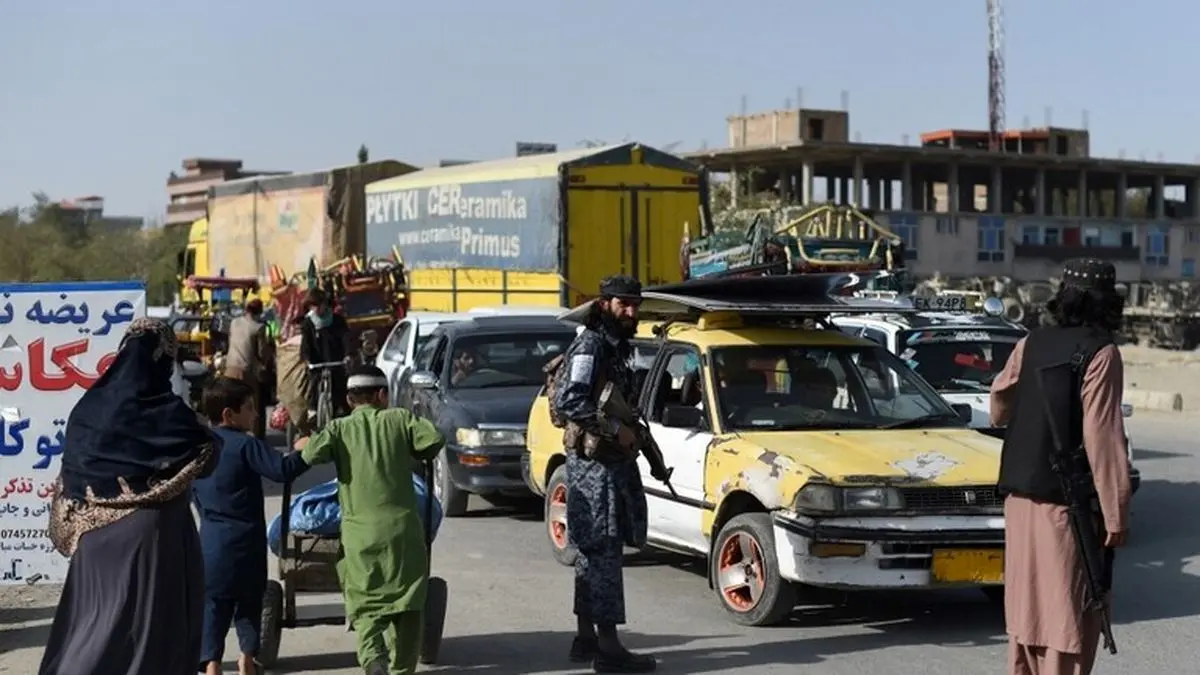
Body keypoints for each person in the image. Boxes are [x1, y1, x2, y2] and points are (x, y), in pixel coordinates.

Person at [39, 318, 221, 675]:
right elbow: (207, 454)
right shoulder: (168, 414)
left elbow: (69, 480)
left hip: (92, 542)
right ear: (163, 360)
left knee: (91, 628)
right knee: (148, 635)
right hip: (150, 539)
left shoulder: (87, 410)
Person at [990, 258, 1133, 675]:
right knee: (1068, 616)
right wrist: (1116, 515)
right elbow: (1103, 439)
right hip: (1064, 510)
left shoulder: (1031, 341)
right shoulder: (1101, 353)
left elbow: (999, 403)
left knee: (1027, 615)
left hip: (1019, 501)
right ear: (1108, 303)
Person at [293, 364, 445, 675]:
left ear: (350, 400)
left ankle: (373, 658)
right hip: (403, 533)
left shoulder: (338, 429)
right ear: (382, 395)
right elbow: (433, 440)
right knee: (408, 605)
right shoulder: (400, 419)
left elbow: (308, 456)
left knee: (365, 604)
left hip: (360, 536)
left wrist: (306, 441)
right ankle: (402, 668)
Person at [554, 275, 657, 673]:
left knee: (591, 552)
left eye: (635, 304)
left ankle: (586, 637)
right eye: (623, 305)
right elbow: (570, 399)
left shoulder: (614, 346)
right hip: (595, 470)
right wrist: (617, 431)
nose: (631, 312)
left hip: (606, 466)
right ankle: (609, 649)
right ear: (605, 304)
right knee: (605, 554)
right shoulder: (592, 344)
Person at [193, 377, 311, 675]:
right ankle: (247, 658)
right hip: (246, 544)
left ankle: (211, 664)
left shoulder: (198, 449)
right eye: (249, 408)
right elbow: (282, 470)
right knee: (248, 605)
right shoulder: (246, 445)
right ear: (228, 415)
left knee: (213, 607)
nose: (256, 414)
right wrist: (305, 450)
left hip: (209, 546)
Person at [299, 287, 353, 420]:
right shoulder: (307, 323)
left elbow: (345, 339)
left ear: (325, 303)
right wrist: (308, 360)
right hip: (317, 365)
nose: (316, 309)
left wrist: (347, 355)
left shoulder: (337, 321)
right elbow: (305, 345)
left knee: (341, 391)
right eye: (313, 306)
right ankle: (312, 410)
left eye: (319, 305)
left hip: (336, 363)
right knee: (312, 384)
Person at [224, 297, 274, 437]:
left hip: (229, 369)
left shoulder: (234, 323)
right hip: (246, 372)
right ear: (260, 312)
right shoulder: (259, 327)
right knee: (255, 405)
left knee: (231, 401)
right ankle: (257, 437)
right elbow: (262, 353)